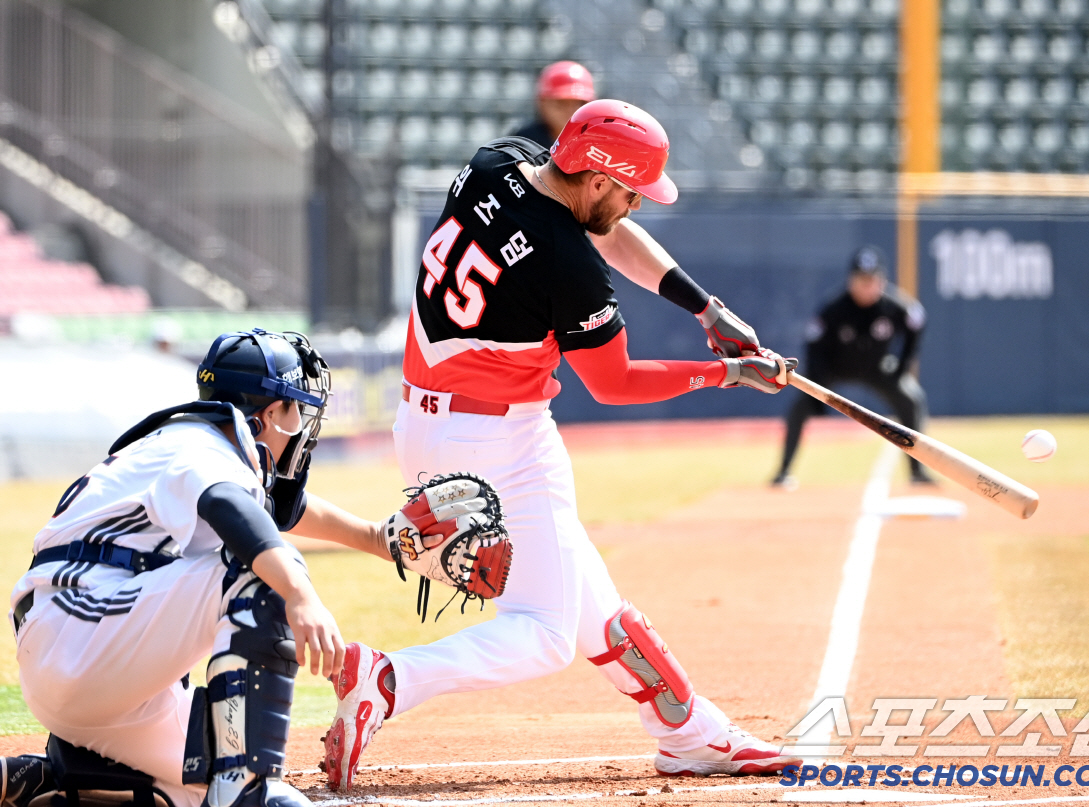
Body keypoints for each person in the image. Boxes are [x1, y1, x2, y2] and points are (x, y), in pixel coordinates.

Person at [320, 100, 802, 791]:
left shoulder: (501, 159)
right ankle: (389, 678)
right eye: (632, 190)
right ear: (600, 179)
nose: (636, 205)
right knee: (547, 630)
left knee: (587, 594)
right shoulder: (566, 262)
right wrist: (724, 373)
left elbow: (602, 232)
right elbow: (615, 382)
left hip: (429, 428)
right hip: (499, 440)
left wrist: (704, 307)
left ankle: (687, 728)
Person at [0, 330, 473, 807]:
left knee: (246, 789)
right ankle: (243, 784)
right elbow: (232, 511)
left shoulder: (195, 447)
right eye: (296, 410)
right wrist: (300, 595)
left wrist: (375, 538)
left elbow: (276, 510)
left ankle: (67, 773)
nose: (301, 426)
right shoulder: (198, 447)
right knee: (264, 574)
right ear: (267, 413)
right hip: (81, 632)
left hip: (84, 672)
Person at [772, 246, 933, 488]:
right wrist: (818, 388)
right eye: (861, 280)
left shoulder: (893, 306)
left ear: (882, 280)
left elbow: (917, 322)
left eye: (872, 280)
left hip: (877, 368)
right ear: (851, 280)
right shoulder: (835, 309)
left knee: (912, 400)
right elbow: (813, 346)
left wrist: (901, 367)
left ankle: (917, 472)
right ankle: (783, 472)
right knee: (799, 407)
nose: (866, 286)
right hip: (835, 368)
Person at [509, 60, 596, 148]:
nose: (570, 110)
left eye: (580, 103)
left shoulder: (599, 141)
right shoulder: (522, 142)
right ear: (542, 102)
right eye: (561, 103)